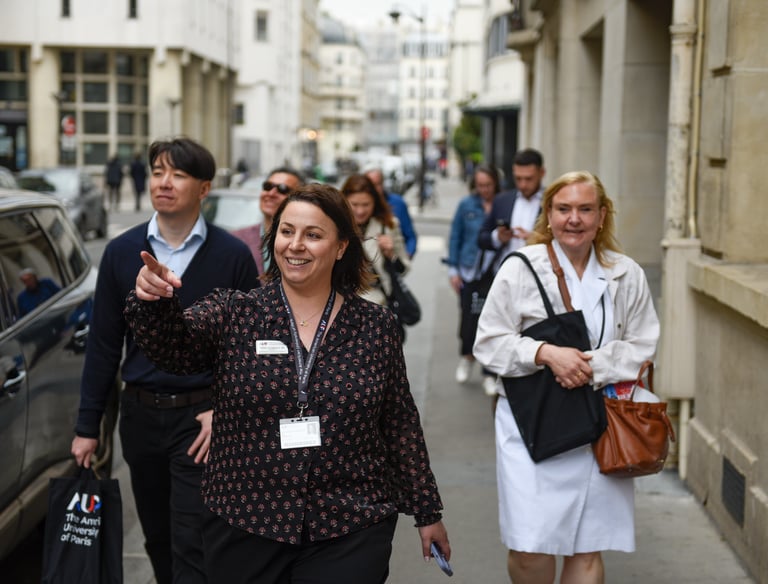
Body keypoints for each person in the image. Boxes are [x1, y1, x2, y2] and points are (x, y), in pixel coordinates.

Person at [125, 183, 450, 583]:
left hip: (350, 521)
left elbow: (400, 422)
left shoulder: (375, 326)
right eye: (286, 231)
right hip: (247, 519)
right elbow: (175, 349)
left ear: (342, 246)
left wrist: (427, 512)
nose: (295, 245)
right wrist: (154, 302)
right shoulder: (236, 312)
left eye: (313, 235)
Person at [71, 138, 260, 584]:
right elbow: (102, 344)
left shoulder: (232, 255)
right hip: (139, 414)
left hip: (201, 420)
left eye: (178, 174)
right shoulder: (121, 252)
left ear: (204, 188)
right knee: (155, 535)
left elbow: (250, 345)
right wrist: (86, 427)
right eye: (157, 171)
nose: (164, 182)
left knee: (193, 538)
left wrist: (224, 407)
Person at [473, 171, 660, 583]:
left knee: (587, 546)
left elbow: (644, 343)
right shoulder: (521, 268)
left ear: (601, 215)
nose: (573, 219)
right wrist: (544, 352)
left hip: (601, 422)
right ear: (549, 214)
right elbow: (487, 343)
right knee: (529, 546)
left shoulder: (625, 273)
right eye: (563, 209)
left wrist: (592, 366)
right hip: (532, 424)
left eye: (584, 209)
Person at [445, 165, 501, 395]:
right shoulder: (467, 205)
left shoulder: (504, 204)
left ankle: (489, 372)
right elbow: (456, 235)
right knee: (469, 320)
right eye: (480, 185)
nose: (484, 189)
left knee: (494, 324)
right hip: (470, 270)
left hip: (497, 271)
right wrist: (453, 270)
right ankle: (467, 358)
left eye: (488, 185)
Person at [340, 174, 410, 312]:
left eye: (366, 205)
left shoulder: (388, 225)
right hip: (341, 306)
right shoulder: (337, 227)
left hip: (378, 306)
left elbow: (404, 269)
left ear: (375, 202)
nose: (360, 211)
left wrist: (391, 255)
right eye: (354, 204)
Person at [477, 148, 546, 272]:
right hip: (502, 273)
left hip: (539, 276)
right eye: (518, 179)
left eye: (529, 179)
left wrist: (535, 239)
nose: (523, 185)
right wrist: (498, 237)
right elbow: (481, 238)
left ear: (542, 173)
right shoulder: (502, 200)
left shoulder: (553, 202)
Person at [232, 166, 304, 273]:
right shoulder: (236, 239)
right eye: (267, 186)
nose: (271, 194)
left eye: (282, 189)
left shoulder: (303, 244)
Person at [365, 166, 418, 258]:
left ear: (382, 184)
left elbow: (410, 236)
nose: (373, 189)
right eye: (370, 185)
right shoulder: (359, 207)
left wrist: (405, 257)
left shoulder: (397, 203)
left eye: (377, 184)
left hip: (392, 262)